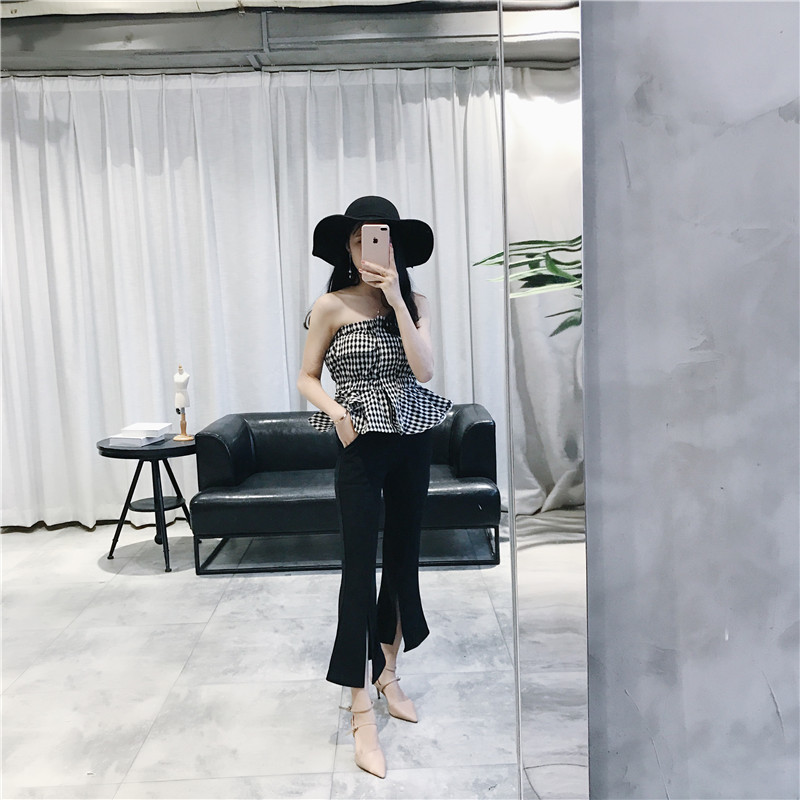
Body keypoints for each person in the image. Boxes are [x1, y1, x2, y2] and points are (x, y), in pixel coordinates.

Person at [297, 196, 452, 779]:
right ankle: (359, 703)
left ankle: (388, 672)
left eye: (379, 239)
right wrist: (337, 412)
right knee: (358, 568)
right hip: (359, 441)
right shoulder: (330, 305)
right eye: (360, 239)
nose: (369, 250)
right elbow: (306, 375)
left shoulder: (415, 302)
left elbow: (425, 371)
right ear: (348, 246)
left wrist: (397, 302)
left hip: (413, 437)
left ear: (396, 248)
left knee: (405, 559)